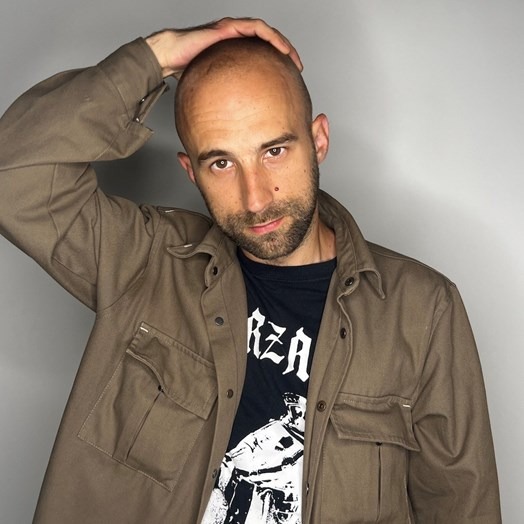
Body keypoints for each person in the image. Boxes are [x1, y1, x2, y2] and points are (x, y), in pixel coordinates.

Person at [0, 16, 501, 524]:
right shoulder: (147, 261)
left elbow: (463, 507)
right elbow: (12, 172)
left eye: (275, 151)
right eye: (222, 163)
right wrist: (155, 56)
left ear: (319, 140)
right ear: (189, 171)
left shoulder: (423, 311)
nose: (256, 198)